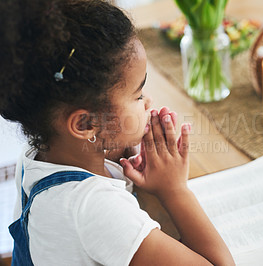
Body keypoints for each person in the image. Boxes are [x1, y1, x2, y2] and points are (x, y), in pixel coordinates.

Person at [0, 0, 235, 265]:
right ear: (85, 125)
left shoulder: (38, 153)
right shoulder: (95, 208)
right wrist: (174, 189)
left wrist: (127, 157)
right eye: (138, 94)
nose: (148, 102)